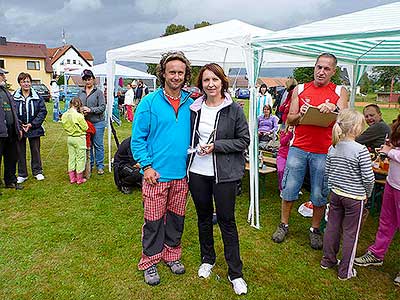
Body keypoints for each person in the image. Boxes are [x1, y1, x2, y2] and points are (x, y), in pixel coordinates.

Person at [272, 53, 349, 249]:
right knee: (289, 187)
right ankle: (284, 224)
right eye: (318, 67)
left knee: (319, 192)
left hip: (325, 150)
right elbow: (290, 119)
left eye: (326, 68)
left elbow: (345, 119)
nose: (321, 72)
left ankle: (315, 229)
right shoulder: (300, 88)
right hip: (298, 147)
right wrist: (303, 114)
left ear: (333, 71)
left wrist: (333, 108)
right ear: (314, 67)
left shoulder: (340, 91)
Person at [187, 63, 250, 295]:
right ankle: (208, 259)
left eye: (215, 79)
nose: (211, 84)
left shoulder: (233, 109)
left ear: (222, 81)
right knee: (203, 218)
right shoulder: (194, 108)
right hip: (197, 172)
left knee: (227, 221)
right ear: (201, 84)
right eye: (206, 80)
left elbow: (244, 140)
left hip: (224, 174)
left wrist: (217, 147)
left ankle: (236, 272)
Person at [131, 51, 193, 286]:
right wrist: (146, 166)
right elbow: (137, 138)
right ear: (163, 74)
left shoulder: (192, 102)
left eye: (180, 72)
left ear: (186, 74)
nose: (176, 76)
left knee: (177, 220)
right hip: (155, 175)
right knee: (154, 221)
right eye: (172, 72)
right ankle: (149, 261)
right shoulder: (149, 102)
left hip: (182, 175)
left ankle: (172, 255)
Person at [320, 109, 374, 280]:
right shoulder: (360, 150)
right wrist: (367, 194)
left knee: (332, 227)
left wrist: (332, 188)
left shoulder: (333, 147)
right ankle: (345, 271)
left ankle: (327, 260)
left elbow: (327, 172)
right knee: (351, 233)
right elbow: (369, 178)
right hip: (355, 198)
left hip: (336, 194)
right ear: (356, 128)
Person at [354, 113, 400, 286]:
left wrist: (391, 152)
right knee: (386, 222)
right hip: (392, 182)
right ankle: (376, 254)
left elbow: (394, 153)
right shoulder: (398, 122)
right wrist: (391, 146)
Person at [13, 72, 47, 183]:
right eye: (23, 82)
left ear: (30, 83)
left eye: (28, 81)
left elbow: (42, 111)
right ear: (20, 83)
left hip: (34, 128)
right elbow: (13, 112)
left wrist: (32, 124)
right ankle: (22, 174)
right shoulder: (14, 97)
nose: (26, 84)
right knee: (20, 151)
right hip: (20, 128)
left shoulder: (37, 97)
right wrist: (20, 124)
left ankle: (37, 171)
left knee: (35, 150)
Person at [78, 69, 106, 175]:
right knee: (87, 144)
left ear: (93, 79)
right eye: (85, 80)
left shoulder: (98, 92)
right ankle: (90, 164)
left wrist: (90, 110)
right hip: (85, 123)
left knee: (98, 144)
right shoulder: (80, 92)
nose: (87, 81)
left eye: (89, 79)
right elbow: (77, 104)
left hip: (98, 122)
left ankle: (100, 166)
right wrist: (80, 110)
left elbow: (102, 107)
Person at [0, 68, 23, 190]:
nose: (4, 77)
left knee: (12, 157)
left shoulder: (6, 91)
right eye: (2, 75)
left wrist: (18, 126)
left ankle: (10, 181)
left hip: (10, 131)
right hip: (0, 132)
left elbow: (13, 111)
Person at [61, 97, 88, 184]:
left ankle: (72, 178)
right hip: (79, 138)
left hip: (70, 137)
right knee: (80, 158)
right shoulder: (79, 116)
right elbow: (85, 127)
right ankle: (79, 179)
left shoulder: (64, 115)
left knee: (71, 157)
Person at [276, 124, 294, 192]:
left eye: (293, 128)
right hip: (282, 155)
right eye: (290, 127)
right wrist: (289, 133)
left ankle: (293, 188)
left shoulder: (297, 135)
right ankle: (281, 188)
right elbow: (282, 142)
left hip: (292, 156)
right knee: (281, 170)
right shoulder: (284, 133)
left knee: (293, 172)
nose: (292, 129)